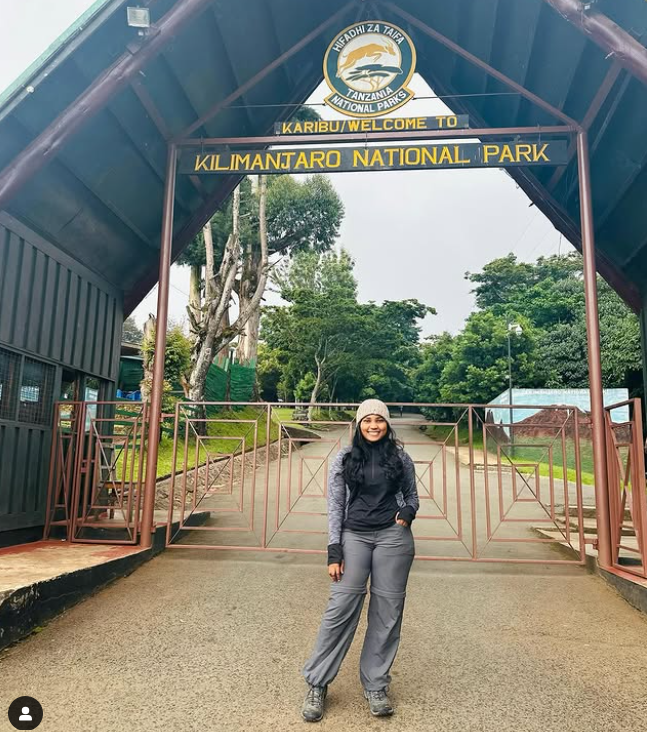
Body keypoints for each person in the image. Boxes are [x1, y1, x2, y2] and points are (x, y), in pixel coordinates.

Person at [301, 399, 419, 722]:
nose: (373, 425)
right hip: (354, 536)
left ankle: (376, 684)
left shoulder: (400, 458)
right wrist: (334, 550)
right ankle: (317, 682)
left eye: (378, 420)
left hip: (393, 537)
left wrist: (407, 513)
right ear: (358, 424)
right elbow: (336, 507)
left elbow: (412, 495)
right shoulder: (344, 459)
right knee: (341, 607)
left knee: (388, 610)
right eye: (367, 420)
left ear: (387, 424)